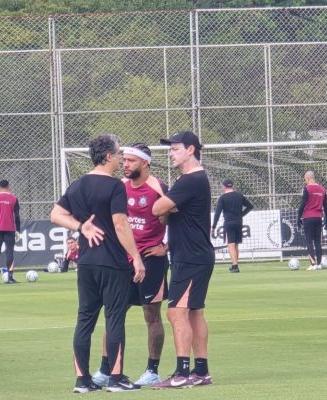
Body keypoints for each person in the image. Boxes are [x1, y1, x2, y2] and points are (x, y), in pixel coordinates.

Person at [50, 134, 145, 393]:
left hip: (87, 263)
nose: (120, 159)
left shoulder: (78, 185)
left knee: (85, 320)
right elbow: (120, 223)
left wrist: (81, 226)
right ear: (107, 156)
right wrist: (136, 257)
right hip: (112, 263)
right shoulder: (116, 186)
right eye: (118, 154)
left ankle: (82, 381)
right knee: (114, 319)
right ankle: (116, 378)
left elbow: (56, 214)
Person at [91, 143, 169, 387]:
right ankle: (106, 369)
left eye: (131, 161)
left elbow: (184, 219)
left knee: (151, 315)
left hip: (152, 261)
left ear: (145, 163)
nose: (124, 165)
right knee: (114, 314)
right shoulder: (120, 188)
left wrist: (168, 247)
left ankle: (152, 370)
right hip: (123, 261)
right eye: (123, 160)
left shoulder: (159, 189)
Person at [151, 131, 215, 389]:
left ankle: (181, 374)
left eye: (175, 148)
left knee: (175, 312)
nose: (170, 153)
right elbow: (165, 216)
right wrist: (168, 208)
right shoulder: (189, 180)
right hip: (192, 255)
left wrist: (165, 206)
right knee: (194, 313)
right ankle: (201, 372)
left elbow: (157, 210)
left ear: (191, 150)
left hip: (191, 257)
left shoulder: (190, 180)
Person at [212, 179, 254, 273]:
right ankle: (235, 264)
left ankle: (235, 266)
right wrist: (241, 214)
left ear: (224, 187)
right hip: (239, 222)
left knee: (230, 245)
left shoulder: (223, 198)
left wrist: (213, 226)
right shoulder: (239, 196)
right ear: (232, 186)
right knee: (236, 245)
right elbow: (250, 206)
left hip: (229, 223)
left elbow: (217, 213)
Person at [0, 179, 21, 285]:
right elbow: (17, 216)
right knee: (9, 251)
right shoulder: (14, 199)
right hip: (10, 229)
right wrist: (18, 230)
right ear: (9, 186)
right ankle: (10, 277)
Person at [296, 171, 327, 271]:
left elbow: (302, 204)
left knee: (309, 241)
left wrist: (298, 217)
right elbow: (326, 207)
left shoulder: (307, 188)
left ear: (308, 178)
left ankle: (313, 264)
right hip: (318, 218)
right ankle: (319, 264)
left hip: (308, 218)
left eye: (305, 180)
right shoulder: (322, 189)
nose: (305, 182)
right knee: (318, 242)